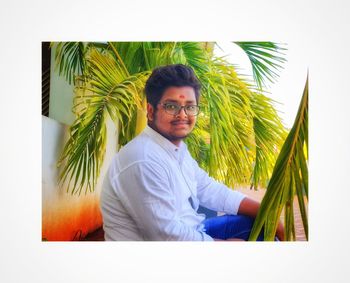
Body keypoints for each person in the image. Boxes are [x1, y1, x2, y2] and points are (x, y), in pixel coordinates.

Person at [100, 64, 284, 241]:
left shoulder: (175, 149)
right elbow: (167, 236)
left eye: (190, 106)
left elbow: (208, 189)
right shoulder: (143, 160)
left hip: (194, 229)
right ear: (150, 111)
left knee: (261, 226)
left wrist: (268, 214)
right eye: (171, 106)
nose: (183, 115)